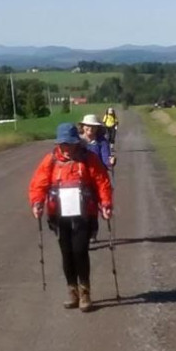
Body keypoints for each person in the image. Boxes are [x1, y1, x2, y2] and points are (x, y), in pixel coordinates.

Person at [29, 123, 114, 312]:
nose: (67, 148)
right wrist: (37, 202)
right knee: (66, 253)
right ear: (59, 144)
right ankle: (72, 292)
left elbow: (102, 182)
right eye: (63, 144)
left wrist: (106, 204)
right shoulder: (51, 160)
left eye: (71, 144)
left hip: (84, 214)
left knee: (80, 251)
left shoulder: (89, 159)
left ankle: (85, 294)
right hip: (59, 215)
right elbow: (39, 184)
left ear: (77, 142)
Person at [78, 114, 113, 242]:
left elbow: (105, 158)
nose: (90, 129)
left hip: (97, 177)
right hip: (80, 178)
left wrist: (110, 162)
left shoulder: (101, 142)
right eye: (88, 126)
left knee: (92, 208)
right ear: (83, 127)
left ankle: (92, 232)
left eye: (93, 127)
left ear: (97, 128)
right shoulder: (77, 141)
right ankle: (81, 233)